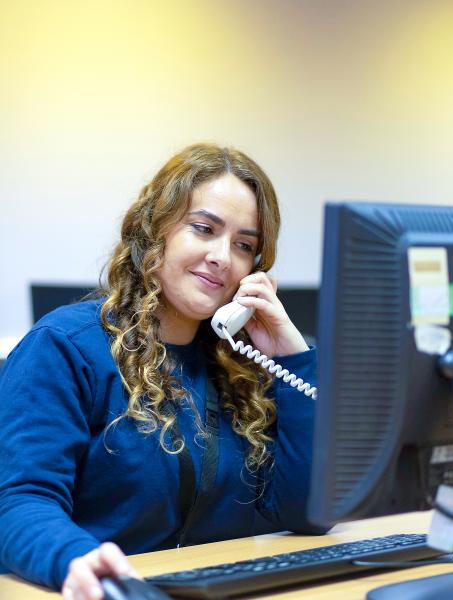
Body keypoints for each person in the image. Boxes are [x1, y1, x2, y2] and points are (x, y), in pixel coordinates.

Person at [0, 143, 324, 600]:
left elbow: (308, 513)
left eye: (244, 245)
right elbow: (19, 501)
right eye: (203, 228)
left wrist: (292, 355)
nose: (221, 256)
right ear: (158, 229)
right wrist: (74, 558)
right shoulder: (66, 346)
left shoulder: (241, 365)